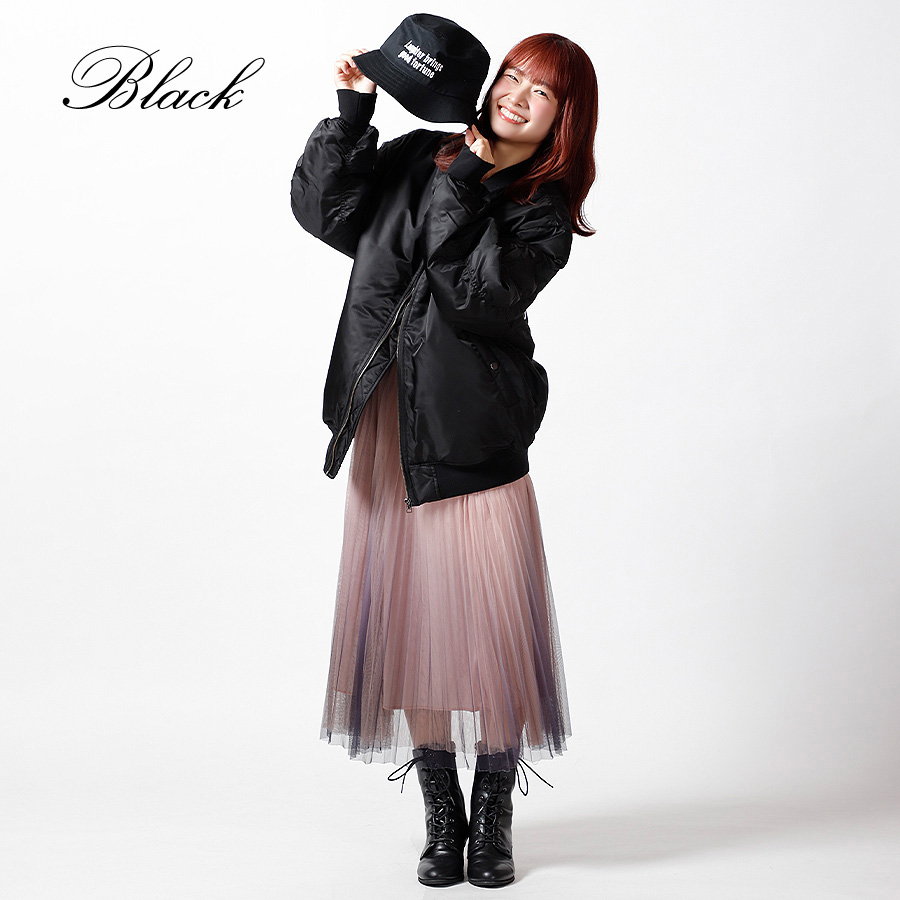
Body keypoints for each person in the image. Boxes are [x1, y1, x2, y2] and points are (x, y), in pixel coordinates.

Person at [290, 30, 598, 889]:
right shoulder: (421, 152)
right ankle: (441, 813)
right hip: (388, 415)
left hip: (472, 433)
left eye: (543, 93)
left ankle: (493, 812)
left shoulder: (542, 208)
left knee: (489, 626)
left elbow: (476, 295)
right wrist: (353, 118)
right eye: (514, 78)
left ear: (565, 120)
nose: (517, 97)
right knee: (411, 619)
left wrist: (464, 180)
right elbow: (327, 215)